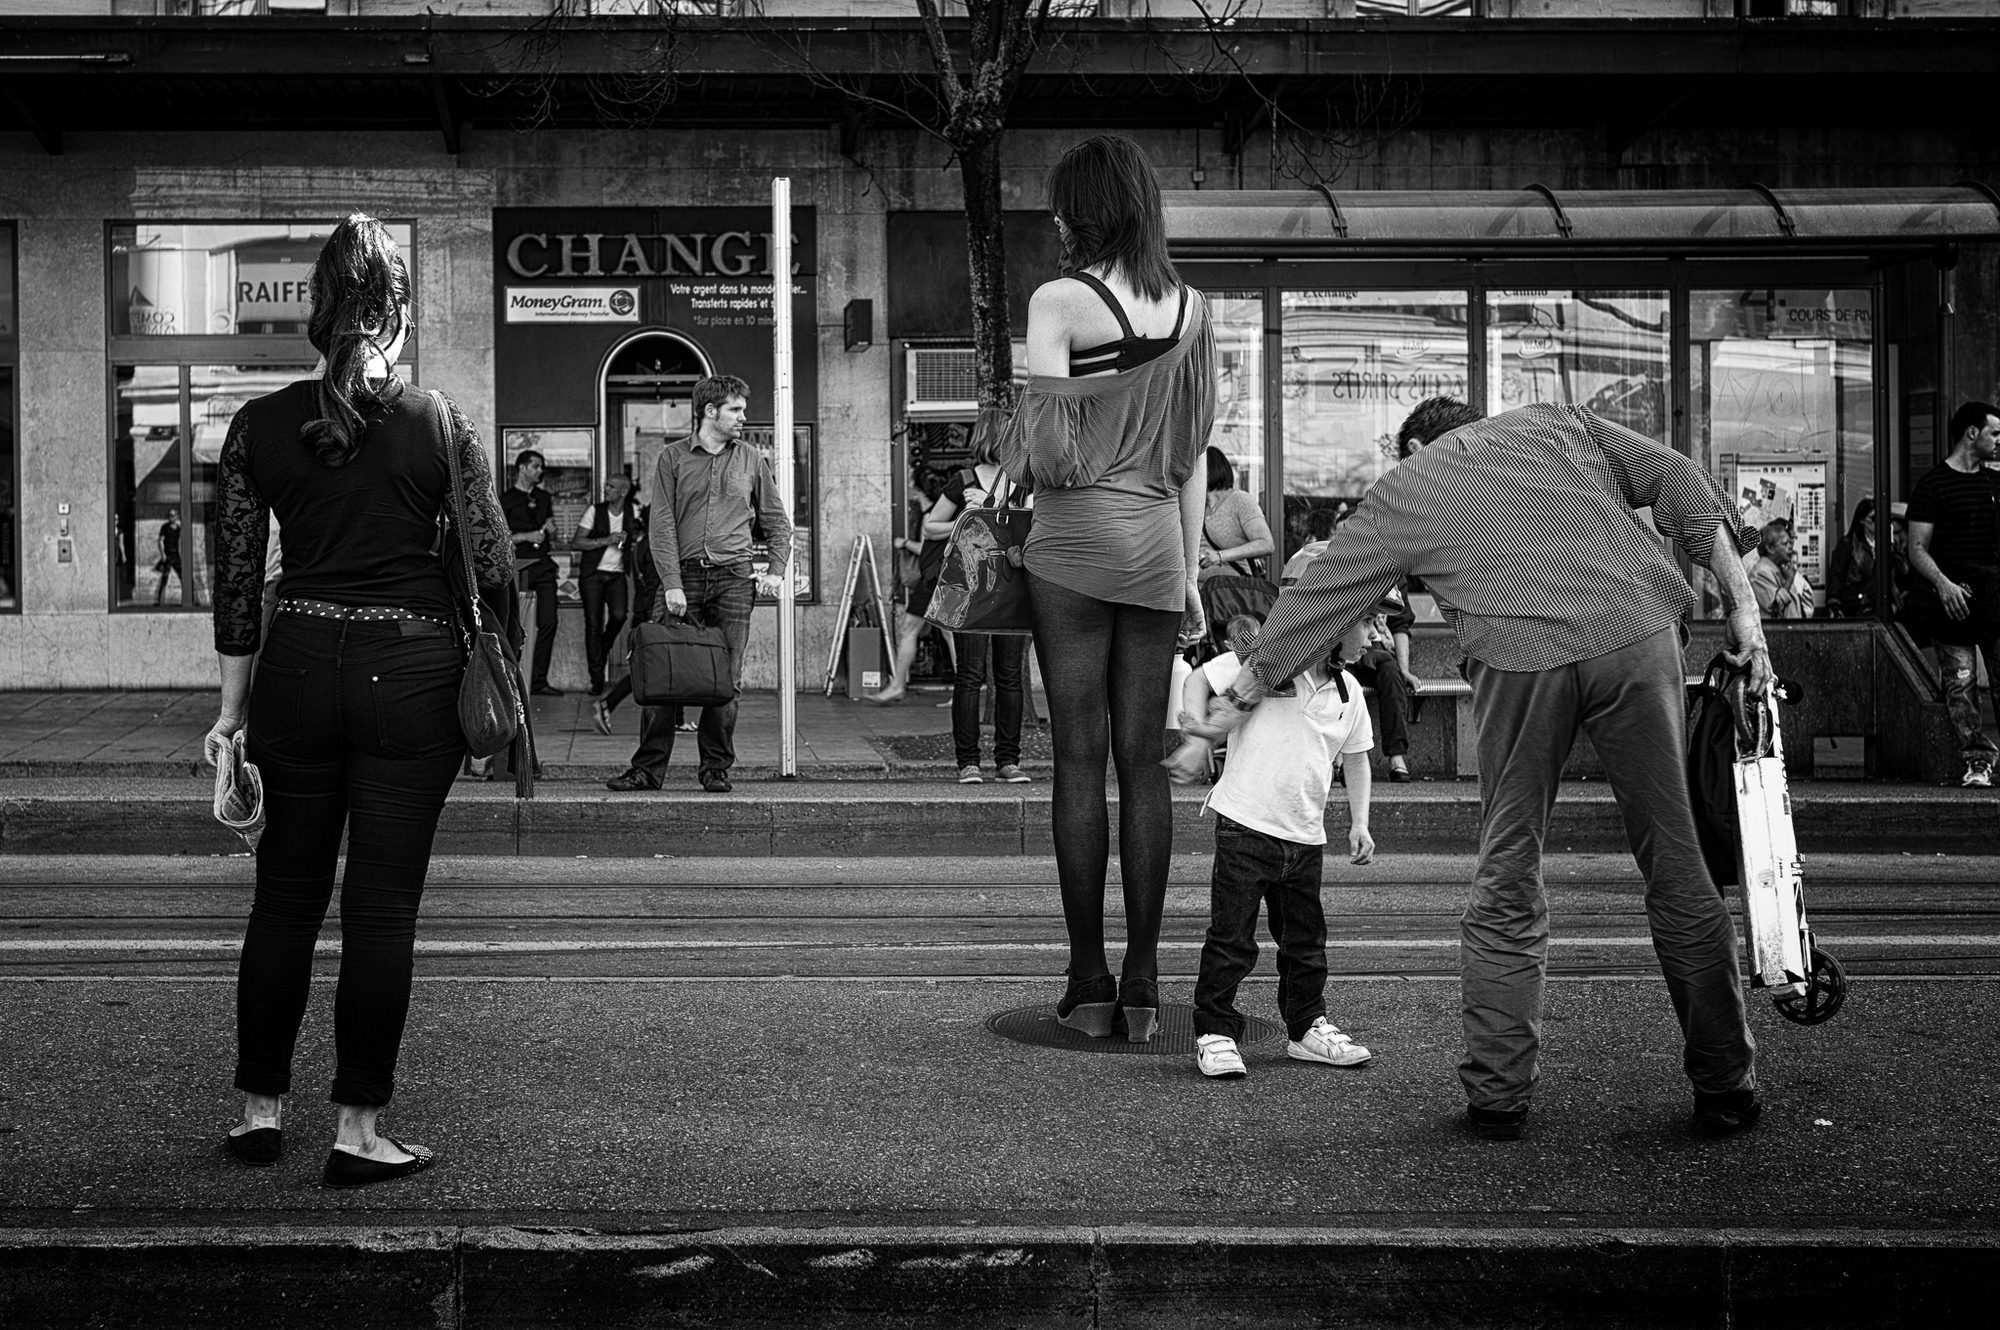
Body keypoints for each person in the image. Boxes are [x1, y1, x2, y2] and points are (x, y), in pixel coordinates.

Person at [1186, 396, 1771, 1141]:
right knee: (1676, 859)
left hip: (1517, 654)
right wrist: (1744, 608)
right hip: (1636, 632)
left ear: (1417, 445)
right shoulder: (1556, 422)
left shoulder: (1408, 485)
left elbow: (1319, 600)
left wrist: (1237, 698)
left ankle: (1500, 1094)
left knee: (1510, 865)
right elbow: (1678, 479)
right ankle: (1725, 1084)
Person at [201, 214, 512, 1188]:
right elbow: (497, 563)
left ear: (316, 311)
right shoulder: (437, 422)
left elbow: (237, 585)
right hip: (411, 676)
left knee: (284, 897)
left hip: (295, 669)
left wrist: (231, 714)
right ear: (399, 314)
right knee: (380, 908)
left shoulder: (256, 426)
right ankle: (359, 1129)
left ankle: (258, 1112)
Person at [996, 133, 1215, 1044]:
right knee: (1143, 762)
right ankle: (1146, 984)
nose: (1054, 219)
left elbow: (1048, 452)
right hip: (1158, 546)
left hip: (1075, 545)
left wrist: (1023, 433)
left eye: (1061, 204)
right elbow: (1193, 452)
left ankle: (1088, 982)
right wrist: (1191, 569)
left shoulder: (1059, 300)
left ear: (1083, 210)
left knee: (1079, 760)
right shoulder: (1194, 310)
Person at [1165, 623, 1377, 1080]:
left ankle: (1306, 1028)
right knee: (1231, 940)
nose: (1375, 636)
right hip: (1244, 826)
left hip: (1305, 836)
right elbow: (1197, 680)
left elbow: (1357, 756)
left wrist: (1359, 822)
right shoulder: (1268, 663)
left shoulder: (1350, 690)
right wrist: (1196, 738)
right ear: (1339, 623)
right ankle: (1215, 1032)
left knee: (1305, 944)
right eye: (1369, 622)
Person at [608, 374, 790, 794]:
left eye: (743, 409)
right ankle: (647, 770)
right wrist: (671, 582)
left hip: (734, 579)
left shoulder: (751, 459)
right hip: (683, 577)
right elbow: (661, 525)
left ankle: (715, 768)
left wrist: (776, 570)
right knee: (662, 672)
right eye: (735, 409)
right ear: (710, 411)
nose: (743, 417)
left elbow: (777, 523)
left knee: (728, 678)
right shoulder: (672, 458)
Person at [925, 424, 1033, 784]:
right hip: (970, 590)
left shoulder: (1025, 483)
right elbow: (930, 528)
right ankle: (968, 762)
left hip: (1011, 591)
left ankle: (1008, 760)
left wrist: (1006, 507)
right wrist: (965, 519)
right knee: (969, 675)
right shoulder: (964, 480)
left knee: (1009, 675)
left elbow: (1036, 530)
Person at [1905, 399, 2000, 788]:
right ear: (1972, 433)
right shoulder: (1932, 485)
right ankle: (1977, 760)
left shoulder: (1995, 484)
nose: (1999, 440)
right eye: (1994, 432)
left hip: (1993, 600)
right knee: (1960, 685)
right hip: (1951, 603)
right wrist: (1943, 584)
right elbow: (1916, 549)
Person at [866, 468, 951, 706]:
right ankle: (963, 689)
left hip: (933, 578)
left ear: (919, 489)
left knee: (910, 629)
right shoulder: (938, 511)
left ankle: (897, 686)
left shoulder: (930, 515)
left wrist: (904, 543)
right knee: (947, 632)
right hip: (942, 577)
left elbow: (926, 548)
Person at [570, 473, 640, 697]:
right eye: (606, 485)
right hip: (592, 575)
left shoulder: (633, 511)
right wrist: (605, 540)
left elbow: (642, 537)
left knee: (620, 616)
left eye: (611, 486)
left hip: (617, 575)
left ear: (623, 492)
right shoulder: (595, 511)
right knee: (593, 625)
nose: (605, 489)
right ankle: (597, 680)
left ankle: (601, 650)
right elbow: (577, 542)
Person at [501, 448, 562, 696]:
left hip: (543, 565)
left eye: (541, 466)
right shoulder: (505, 500)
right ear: (522, 468)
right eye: (536, 466)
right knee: (514, 624)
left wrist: (551, 530)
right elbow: (499, 538)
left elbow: (552, 535)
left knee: (549, 621)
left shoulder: (544, 498)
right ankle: (513, 678)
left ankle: (538, 680)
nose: (540, 471)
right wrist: (526, 536)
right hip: (517, 567)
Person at [1196, 446, 1274, 582]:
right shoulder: (1196, 506)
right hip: (1198, 590)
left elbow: (1266, 544)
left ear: (1206, 471)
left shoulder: (1240, 500)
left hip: (1232, 590)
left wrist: (1219, 556)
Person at [1747, 520, 1811, 620]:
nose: (1790, 547)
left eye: (1790, 543)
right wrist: (1789, 580)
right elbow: (1775, 606)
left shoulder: (1781, 569)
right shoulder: (1761, 573)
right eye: (1785, 544)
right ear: (1770, 548)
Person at [1825, 497, 1877, 619]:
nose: (1878, 522)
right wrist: (1834, 603)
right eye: (1874, 519)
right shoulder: (1848, 544)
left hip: (1878, 605)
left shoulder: (1885, 544)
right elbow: (1836, 575)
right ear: (1862, 520)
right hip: (1855, 605)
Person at [154, 510, 183, 604]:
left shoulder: (178, 528)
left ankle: (190, 599)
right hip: (168, 555)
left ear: (176, 516)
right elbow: (160, 541)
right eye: (169, 515)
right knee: (164, 577)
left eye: (173, 515)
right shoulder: (165, 527)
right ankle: (159, 601)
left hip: (176, 555)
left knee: (183, 576)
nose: (170, 517)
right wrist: (163, 554)